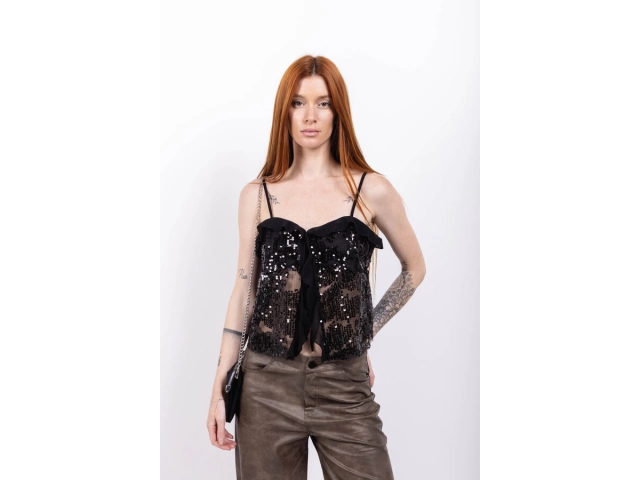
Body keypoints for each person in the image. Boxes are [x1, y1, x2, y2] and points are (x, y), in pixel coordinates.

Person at [206, 55, 426, 479]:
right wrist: (219, 385)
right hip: (265, 386)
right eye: (298, 103)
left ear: (338, 111)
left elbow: (414, 269)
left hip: (344, 385)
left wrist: (363, 331)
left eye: (323, 103)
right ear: (284, 112)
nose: (310, 116)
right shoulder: (257, 195)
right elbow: (244, 288)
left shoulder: (370, 190)